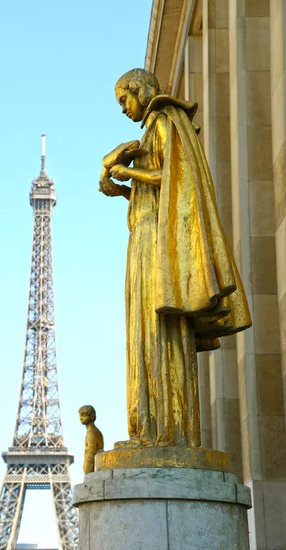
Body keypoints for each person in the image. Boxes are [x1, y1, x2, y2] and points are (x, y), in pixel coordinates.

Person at [99, 68, 251, 449]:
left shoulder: (166, 118)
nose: (123, 109)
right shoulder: (151, 130)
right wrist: (121, 187)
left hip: (156, 239)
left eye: (124, 99)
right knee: (146, 333)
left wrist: (126, 169)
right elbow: (158, 188)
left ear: (140, 90)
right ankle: (147, 428)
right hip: (145, 236)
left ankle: (166, 430)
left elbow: (175, 175)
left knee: (157, 331)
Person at [79, 405, 104, 474]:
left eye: (84, 415)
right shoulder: (94, 431)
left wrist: (87, 474)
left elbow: (90, 455)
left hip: (91, 471)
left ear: (92, 416)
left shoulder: (91, 433)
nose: (81, 418)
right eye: (80, 415)